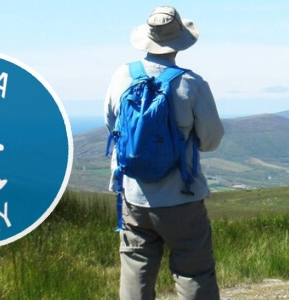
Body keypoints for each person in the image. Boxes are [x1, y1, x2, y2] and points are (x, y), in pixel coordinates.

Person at [104, 6, 225, 300]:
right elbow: (211, 140)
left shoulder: (122, 77)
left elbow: (113, 127)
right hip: (181, 197)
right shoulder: (191, 84)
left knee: (135, 269)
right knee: (193, 270)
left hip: (133, 195)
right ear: (179, 41)